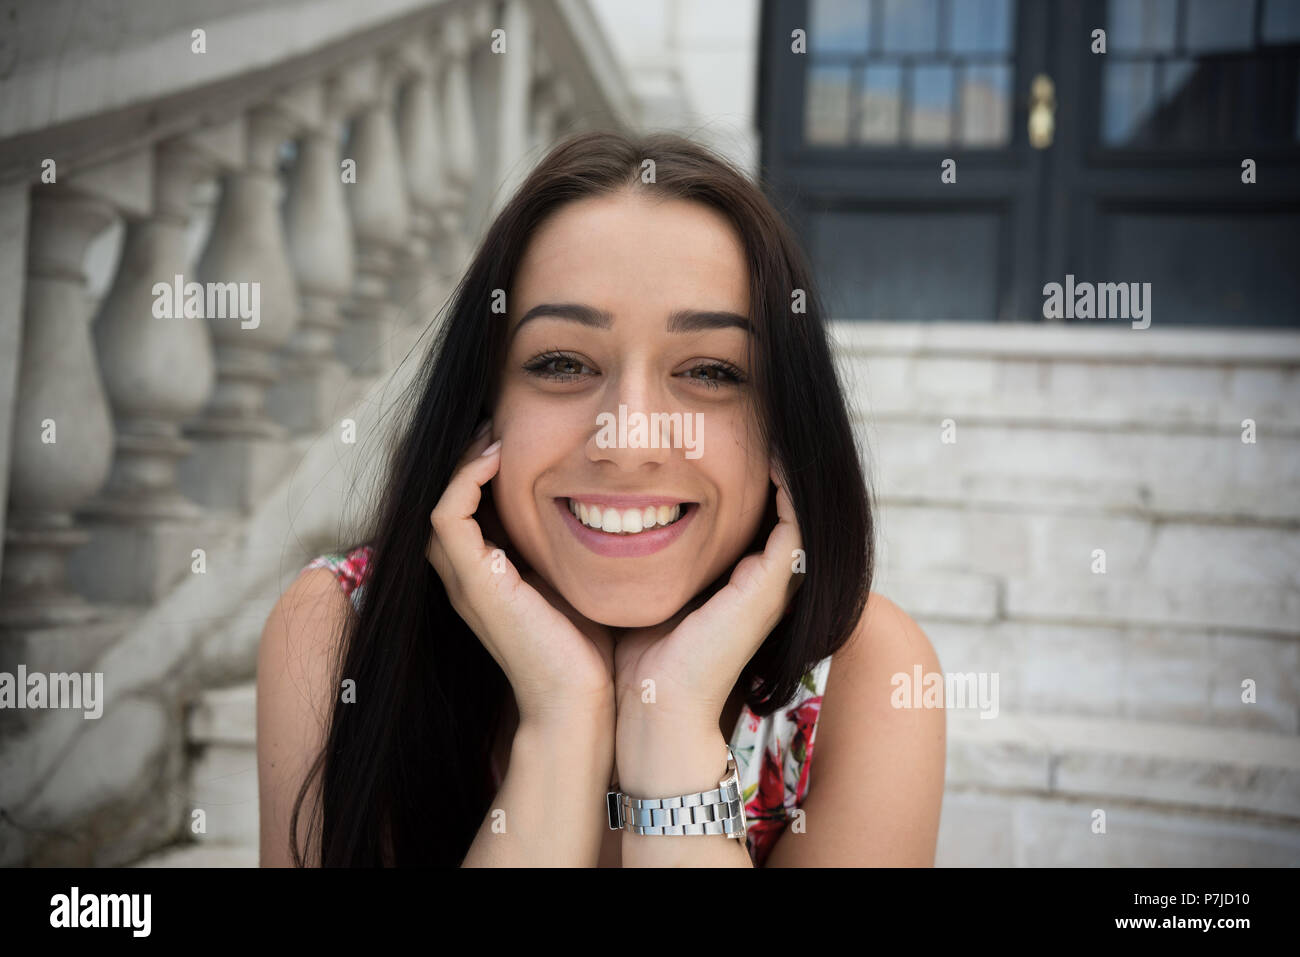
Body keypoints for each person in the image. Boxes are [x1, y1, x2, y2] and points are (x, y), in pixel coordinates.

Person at [256, 130, 945, 867]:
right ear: (481, 405)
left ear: (785, 424)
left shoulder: (866, 672)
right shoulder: (342, 632)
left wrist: (671, 725)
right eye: (562, 362)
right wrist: (562, 725)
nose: (629, 436)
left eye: (710, 370)